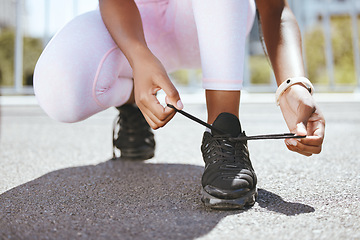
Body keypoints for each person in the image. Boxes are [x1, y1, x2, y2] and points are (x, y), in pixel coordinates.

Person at [34, 0, 325, 210]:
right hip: (137, 24)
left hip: (215, 21)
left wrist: (293, 84)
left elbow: (274, 7)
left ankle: (225, 132)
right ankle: (134, 97)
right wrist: (138, 57)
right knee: (58, 88)